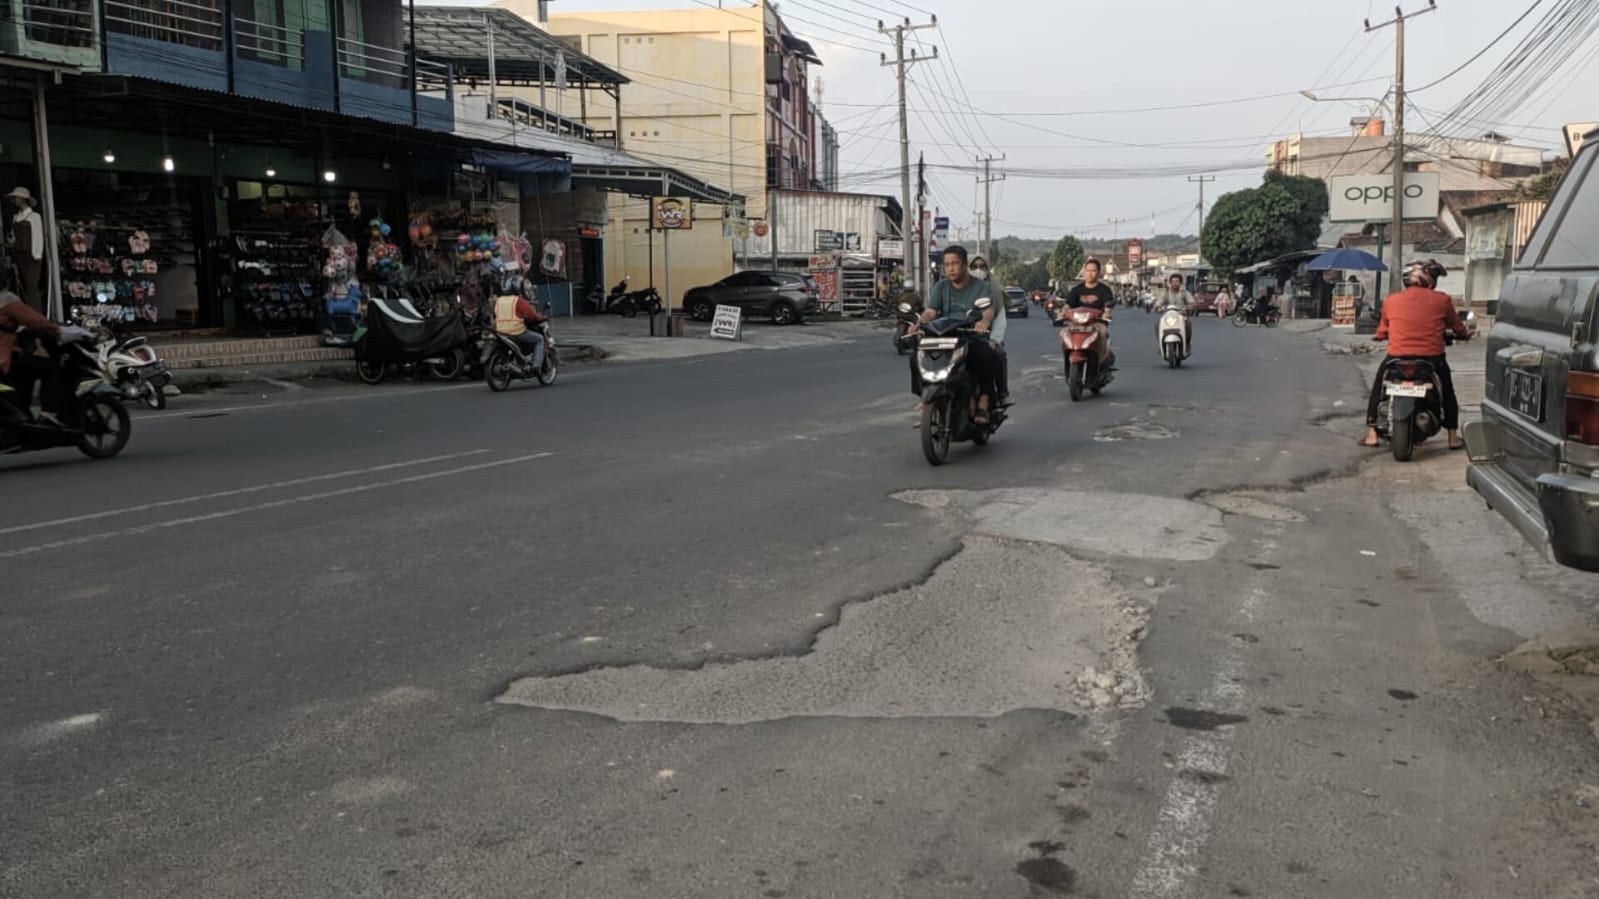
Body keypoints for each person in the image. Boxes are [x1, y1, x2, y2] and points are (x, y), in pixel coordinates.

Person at [1360, 260, 1468, 451]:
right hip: (1432, 358)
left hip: (1396, 357)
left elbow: (1381, 331)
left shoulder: (1391, 300)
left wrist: (1380, 336)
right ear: (1425, 278)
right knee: (1447, 391)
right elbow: (1457, 327)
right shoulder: (1442, 300)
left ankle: (1371, 433)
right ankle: (1452, 436)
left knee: (1379, 386)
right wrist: (1464, 335)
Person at [913, 245, 1001, 424]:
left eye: (955, 264)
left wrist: (984, 322)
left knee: (986, 355)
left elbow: (988, 311)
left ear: (964, 265)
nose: (951, 268)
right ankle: (926, 396)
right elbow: (931, 311)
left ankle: (984, 403)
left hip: (971, 336)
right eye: (947, 265)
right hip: (944, 336)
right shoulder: (941, 287)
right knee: (916, 357)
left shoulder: (980, 287)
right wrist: (919, 323)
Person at [0, 288, 65, 426]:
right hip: (5, 358)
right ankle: (49, 412)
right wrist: (56, 329)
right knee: (51, 368)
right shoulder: (6, 300)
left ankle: (22, 412)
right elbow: (35, 320)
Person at [968, 254, 1011, 408]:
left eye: (982, 266)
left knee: (998, 355)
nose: (978, 270)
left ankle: (1002, 393)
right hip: (963, 336)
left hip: (988, 336)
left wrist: (994, 339)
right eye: (974, 267)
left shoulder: (994, 288)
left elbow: (999, 317)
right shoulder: (963, 286)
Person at [1061, 258, 1117, 368]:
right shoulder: (1076, 290)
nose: (1090, 274)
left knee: (1102, 332)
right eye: (1087, 270)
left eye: (1093, 271)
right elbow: (1068, 305)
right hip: (1077, 323)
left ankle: (1102, 357)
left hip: (1096, 323)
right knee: (1063, 333)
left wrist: (1107, 313)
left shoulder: (1104, 290)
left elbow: (1108, 306)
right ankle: (1068, 356)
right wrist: (1062, 312)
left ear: (1099, 273)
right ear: (1084, 272)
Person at [493, 289, 548, 371]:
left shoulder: (498, 301)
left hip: (501, 331)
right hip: (516, 331)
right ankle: (536, 366)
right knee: (539, 339)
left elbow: (495, 314)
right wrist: (541, 317)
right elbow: (530, 315)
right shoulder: (517, 300)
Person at [8, 188, 43, 312]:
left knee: (31, 286)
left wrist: (37, 255)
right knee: (21, 285)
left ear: (23, 199)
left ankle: (36, 313)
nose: (14, 200)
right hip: (19, 255)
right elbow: (13, 236)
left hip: (31, 255)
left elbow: (38, 236)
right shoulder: (16, 217)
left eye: (16, 198)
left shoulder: (34, 216)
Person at [1153, 273, 1194, 349]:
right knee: (1157, 325)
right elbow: (1158, 303)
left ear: (1180, 283)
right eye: (1173, 281)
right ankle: (1161, 344)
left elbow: (1192, 303)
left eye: (1177, 281)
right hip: (1167, 316)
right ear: (1170, 283)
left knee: (1188, 324)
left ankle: (1187, 344)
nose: (1175, 283)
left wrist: (1188, 307)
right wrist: (1158, 307)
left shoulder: (1184, 293)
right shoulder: (1165, 294)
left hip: (1181, 315)